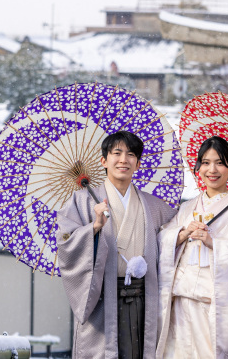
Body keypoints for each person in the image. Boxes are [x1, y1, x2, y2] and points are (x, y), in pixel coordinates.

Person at [57, 130, 177, 359]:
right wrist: (93, 228)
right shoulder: (81, 201)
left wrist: (182, 234)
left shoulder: (155, 206)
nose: (124, 160)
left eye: (131, 154)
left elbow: (170, 242)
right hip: (102, 300)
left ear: (138, 164)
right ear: (104, 160)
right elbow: (66, 243)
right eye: (117, 153)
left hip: (144, 300)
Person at [156, 136, 228, 359]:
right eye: (205, 162)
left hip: (216, 304)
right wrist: (182, 233)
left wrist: (213, 243)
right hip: (182, 299)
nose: (212, 169)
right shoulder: (187, 208)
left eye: (220, 163)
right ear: (197, 167)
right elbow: (161, 240)